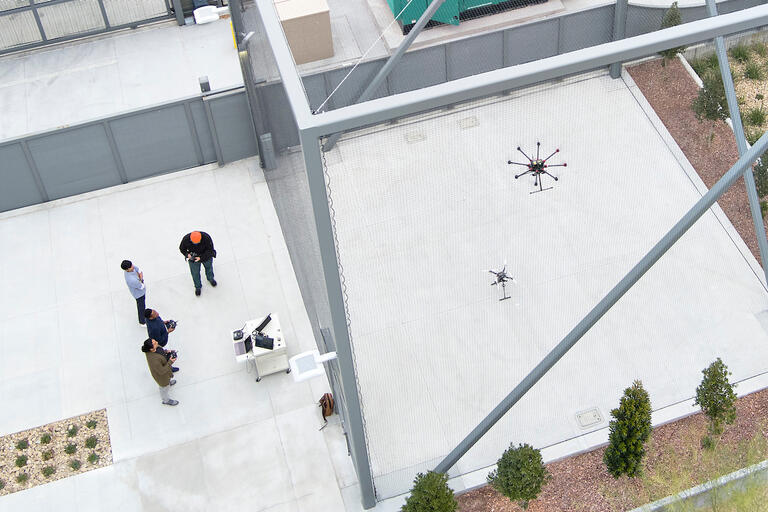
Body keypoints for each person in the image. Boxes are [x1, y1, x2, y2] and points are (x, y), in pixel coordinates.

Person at [142, 338, 178, 406]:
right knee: (164, 388)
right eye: (155, 343)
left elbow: (160, 350)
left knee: (167, 381)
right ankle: (166, 400)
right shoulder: (154, 360)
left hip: (166, 373)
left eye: (155, 341)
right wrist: (170, 362)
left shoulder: (156, 347)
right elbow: (161, 371)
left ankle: (168, 382)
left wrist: (166, 351)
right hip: (162, 377)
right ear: (151, 349)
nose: (157, 342)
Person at [179, 231, 217, 296]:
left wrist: (201, 258)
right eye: (193, 242)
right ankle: (198, 287)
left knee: (209, 268)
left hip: (206, 256)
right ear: (190, 239)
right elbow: (182, 248)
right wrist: (187, 255)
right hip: (193, 258)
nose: (195, 244)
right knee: (195, 273)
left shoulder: (206, 238)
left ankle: (210, 278)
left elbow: (210, 250)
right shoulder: (186, 239)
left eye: (197, 243)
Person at [121, 260, 146, 325]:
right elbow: (141, 286)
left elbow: (139, 270)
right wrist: (141, 279)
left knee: (142, 306)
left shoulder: (131, 267)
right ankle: (142, 321)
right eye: (131, 266)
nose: (133, 266)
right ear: (127, 269)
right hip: (139, 294)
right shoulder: (131, 279)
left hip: (140, 289)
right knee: (141, 307)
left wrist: (140, 278)